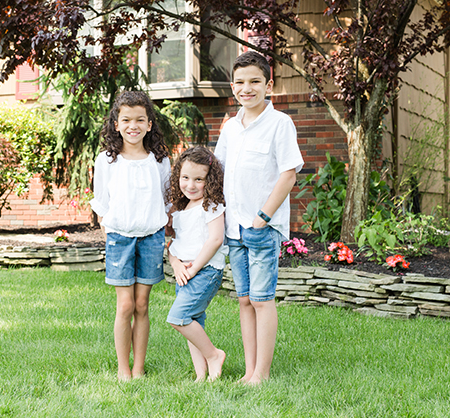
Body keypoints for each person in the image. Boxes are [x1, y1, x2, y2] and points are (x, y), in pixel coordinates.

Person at [214, 51, 304, 385]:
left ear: (269, 84)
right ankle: (249, 371)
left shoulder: (280, 123)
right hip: (234, 228)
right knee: (244, 300)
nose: (246, 88)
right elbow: (218, 173)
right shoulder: (230, 127)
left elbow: (288, 175)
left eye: (254, 81)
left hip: (260, 228)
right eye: (239, 82)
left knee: (262, 301)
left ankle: (261, 375)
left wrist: (263, 217)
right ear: (232, 86)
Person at [89, 90, 170, 381]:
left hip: (151, 237)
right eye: (126, 120)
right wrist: (110, 230)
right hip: (120, 238)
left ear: (149, 124)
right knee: (125, 305)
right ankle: (123, 368)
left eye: (139, 119)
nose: (133, 125)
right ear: (116, 123)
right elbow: (101, 203)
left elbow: (166, 200)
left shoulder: (159, 160)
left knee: (142, 305)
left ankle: (139, 367)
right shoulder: (107, 161)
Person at [165, 146, 229, 382]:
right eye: (185, 178)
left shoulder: (210, 206)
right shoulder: (181, 208)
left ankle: (214, 355)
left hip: (205, 271)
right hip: (186, 272)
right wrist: (176, 264)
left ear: (209, 180)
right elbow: (173, 245)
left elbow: (215, 239)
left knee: (178, 317)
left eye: (199, 179)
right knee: (193, 322)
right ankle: (201, 375)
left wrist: (194, 268)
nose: (190, 185)